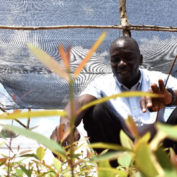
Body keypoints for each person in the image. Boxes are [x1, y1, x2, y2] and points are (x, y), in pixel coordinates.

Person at [50, 36, 177, 160]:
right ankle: (111, 171)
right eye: (115, 59)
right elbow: (80, 102)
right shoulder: (102, 84)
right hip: (120, 154)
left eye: (128, 58)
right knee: (95, 111)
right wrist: (65, 124)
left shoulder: (157, 80)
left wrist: (169, 96)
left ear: (140, 59)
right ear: (110, 62)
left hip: (161, 149)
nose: (121, 63)